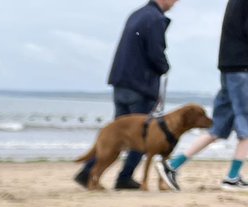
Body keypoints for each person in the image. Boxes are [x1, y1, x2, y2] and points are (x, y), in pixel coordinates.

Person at [75, 0, 178, 190]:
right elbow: (155, 52)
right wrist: (165, 66)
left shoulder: (137, 14)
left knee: (116, 135)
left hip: (121, 81)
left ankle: (88, 172)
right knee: (143, 136)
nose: (175, 3)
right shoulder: (155, 18)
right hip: (140, 84)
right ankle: (124, 177)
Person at [157, 0, 248, 191]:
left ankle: (173, 165)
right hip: (241, 68)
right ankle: (232, 177)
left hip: (229, 65)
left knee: (218, 126)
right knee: (245, 123)